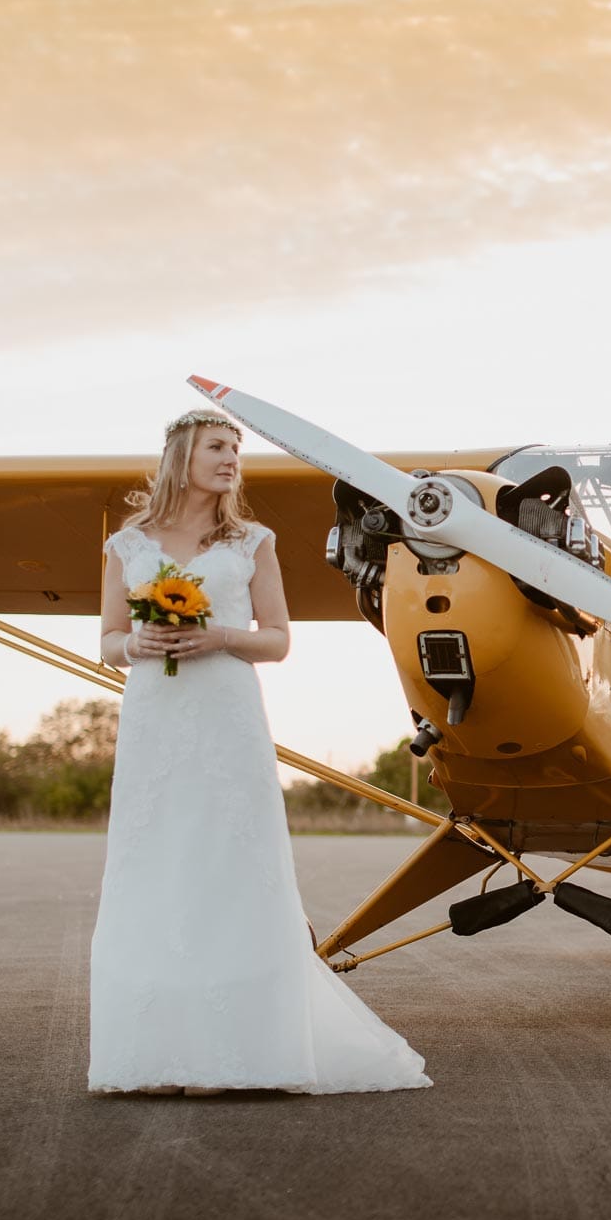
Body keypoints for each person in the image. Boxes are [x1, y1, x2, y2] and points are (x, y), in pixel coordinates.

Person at [89, 407, 430, 1096]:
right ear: (181, 454)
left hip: (226, 716)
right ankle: (155, 1056)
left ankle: (234, 1055)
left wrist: (219, 638)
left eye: (235, 452)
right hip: (156, 719)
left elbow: (276, 638)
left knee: (229, 862)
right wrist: (138, 645)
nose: (230, 462)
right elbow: (108, 642)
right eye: (218, 447)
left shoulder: (252, 542)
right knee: (156, 866)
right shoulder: (127, 545)